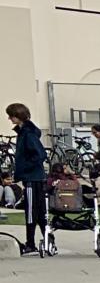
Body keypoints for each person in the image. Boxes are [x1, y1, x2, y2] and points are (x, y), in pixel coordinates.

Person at [7, 104, 48, 252]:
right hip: (32, 177)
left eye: (11, 116)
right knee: (38, 209)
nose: (9, 118)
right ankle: (46, 238)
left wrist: (24, 170)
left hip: (32, 178)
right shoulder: (24, 132)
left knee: (32, 211)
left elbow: (40, 155)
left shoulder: (28, 134)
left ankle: (31, 243)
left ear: (18, 117)